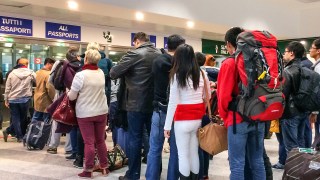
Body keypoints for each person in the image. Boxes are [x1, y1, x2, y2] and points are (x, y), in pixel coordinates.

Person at [110, 32, 162, 180]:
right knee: (154, 140)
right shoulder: (159, 53)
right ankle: (154, 173)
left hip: (135, 104)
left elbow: (113, 73)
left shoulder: (134, 54)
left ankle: (133, 175)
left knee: (135, 139)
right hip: (155, 105)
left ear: (136, 41)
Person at [217, 27, 266, 180]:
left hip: (237, 121)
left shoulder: (229, 64)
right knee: (257, 162)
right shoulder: (259, 60)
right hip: (258, 118)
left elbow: (223, 97)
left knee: (237, 164)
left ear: (228, 44)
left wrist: (225, 117)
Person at [164, 44, 210, 180]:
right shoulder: (202, 74)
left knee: (183, 155)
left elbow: (172, 102)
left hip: (182, 120)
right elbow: (207, 96)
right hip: (197, 119)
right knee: (194, 152)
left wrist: (167, 126)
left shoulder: (177, 75)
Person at [145, 34, 185, 180]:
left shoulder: (157, 61)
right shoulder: (181, 65)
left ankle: (151, 177)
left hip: (158, 110)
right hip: (176, 112)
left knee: (154, 148)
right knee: (175, 150)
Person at [68, 46, 109, 178]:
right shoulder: (101, 73)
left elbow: (72, 96)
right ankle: (104, 167)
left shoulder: (80, 75)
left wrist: (68, 93)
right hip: (101, 111)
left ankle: (88, 170)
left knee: (89, 143)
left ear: (85, 59)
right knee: (100, 141)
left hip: (85, 113)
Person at [47, 46, 82, 155]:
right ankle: (69, 148)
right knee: (71, 120)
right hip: (75, 96)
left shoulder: (60, 64)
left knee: (57, 119)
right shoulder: (80, 66)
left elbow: (51, 80)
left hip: (61, 95)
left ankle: (53, 146)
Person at [281, 41, 308, 154]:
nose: (284, 55)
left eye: (285, 52)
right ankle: (301, 170)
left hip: (290, 113)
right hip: (303, 111)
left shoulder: (288, 71)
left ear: (291, 53)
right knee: (300, 143)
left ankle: (293, 171)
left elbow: (283, 94)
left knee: (291, 147)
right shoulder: (305, 69)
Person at [3, 58, 36, 142]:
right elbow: (37, 82)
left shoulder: (11, 73)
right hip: (25, 99)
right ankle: (14, 134)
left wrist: (6, 99)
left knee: (15, 118)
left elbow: (7, 88)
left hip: (13, 99)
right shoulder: (31, 73)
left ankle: (14, 134)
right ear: (27, 64)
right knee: (23, 118)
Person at [32, 57, 56, 122]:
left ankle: (32, 131)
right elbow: (50, 89)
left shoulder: (37, 72)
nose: (54, 67)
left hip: (37, 99)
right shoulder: (48, 74)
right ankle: (43, 132)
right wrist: (54, 99)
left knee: (35, 119)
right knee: (46, 121)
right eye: (53, 65)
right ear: (48, 64)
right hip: (46, 101)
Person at [309, 38, 320, 140]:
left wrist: (315, 111)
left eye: (312, 47)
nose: (309, 50)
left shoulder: (318, 67)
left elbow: (317, 91)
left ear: (318, 51)